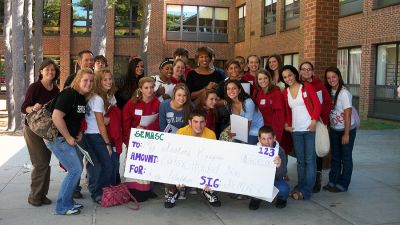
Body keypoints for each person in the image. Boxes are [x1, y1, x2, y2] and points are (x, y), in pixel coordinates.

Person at [45, 68, 94, 215]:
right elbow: (56, 117)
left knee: (76, 169)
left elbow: (75, 118)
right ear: (78, 80)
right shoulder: (69, 94)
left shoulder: (81, 97)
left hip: (67, 138)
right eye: (85, 80)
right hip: (58, 139)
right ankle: (62, 207)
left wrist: (78, 133)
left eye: (91, 81)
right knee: (75, 170)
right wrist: (68, 137)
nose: (88, 83)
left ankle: (68, 201)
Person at [21, 59, 60, 207]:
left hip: (47, 130)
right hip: (33, 130)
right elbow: (24, 107)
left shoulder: (56, 90)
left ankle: (43, 195)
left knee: (45, 162)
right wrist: (33, 108)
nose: (50, 72)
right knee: (40, 163)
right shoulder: (35, 87)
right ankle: (35, 196)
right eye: (47, 69)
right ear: (41, 72)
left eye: (53, 70)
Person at [164, 109, 221, 208]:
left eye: (202, 122)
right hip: (184, 163)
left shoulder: (211, 134)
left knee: (218, 166)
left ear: (206, 122)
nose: (199, 125)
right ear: (189, 122)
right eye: (195, 122)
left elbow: (213, 159)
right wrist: (177, 175)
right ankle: (173, 191)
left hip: (202, 164)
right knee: (167, 165)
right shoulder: (181, 132)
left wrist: (210, 178)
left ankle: (208, 191)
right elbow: (175, 156)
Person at [282, 65, 321, 200]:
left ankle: (306, 191)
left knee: (310, 160)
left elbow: (317, 104)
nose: (288, 79)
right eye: (285, 77)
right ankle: (300, 186)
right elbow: (288, 111)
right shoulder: (285, 92)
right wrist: (287, 125)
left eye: (290, 75)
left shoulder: (306, 87)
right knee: (300, 161)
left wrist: (314, 120)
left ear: (295, 74)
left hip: (309, 128)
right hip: (296, 130)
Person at [122, 77, 160, 201]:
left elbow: (159, 122)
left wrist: (150, 128)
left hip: (150, 141)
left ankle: (147, 190)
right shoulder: (132, 103)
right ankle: (132, 190)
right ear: (140, 89)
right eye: (146, 88)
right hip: (135, 141)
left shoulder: (157, 103)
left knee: (148, 166)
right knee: (134, 166)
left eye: (151, 87)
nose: (149, 90)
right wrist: (130, 138)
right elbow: (125, 122)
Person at [84, 68, 118, 203]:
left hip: (94, 134)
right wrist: (107, 143)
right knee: (105, 165)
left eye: (110, 79)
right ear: (99, 81)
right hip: (94, 135)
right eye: (105, 79)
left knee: (102, 164)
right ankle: (98, 193)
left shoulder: (104, 96)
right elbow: (100, 124)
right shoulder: (97, 99)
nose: (108, 82)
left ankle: (101, 191)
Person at [299, 61, 333, 193]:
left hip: (316, 123)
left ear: (312, 72)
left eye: (309, 69)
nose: (306, 72)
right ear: (300, 71)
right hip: (303, 124)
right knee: (306, 153)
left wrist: (320, 119)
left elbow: (327, 103)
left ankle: (316, 179)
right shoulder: (299, 85)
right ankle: (307, 179)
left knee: (316, 152)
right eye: (304, 69)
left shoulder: (319, 85)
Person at [323, 67, 357, 193]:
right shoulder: (329, 91)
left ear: (339, 77)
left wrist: (346, 134)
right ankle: (333, 181)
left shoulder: (344, 93)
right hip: (334, 129)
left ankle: (343, 184)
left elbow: (347, 114)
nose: (331, 79)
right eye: (328, 77)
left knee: (346, 157)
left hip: (346, 129)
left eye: (334, 77)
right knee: (335, 157)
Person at [248, 125, 289, 210]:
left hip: (275, 179)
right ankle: (256, 198)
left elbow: (282, 174)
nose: (267, 142)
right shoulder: (253, 150)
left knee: (284, 189)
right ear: (259, 139)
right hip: (259, 179)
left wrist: (279, 166)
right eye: (263, 139)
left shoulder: (280, 151)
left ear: (274, 138)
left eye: (269, 138)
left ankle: (282, 199)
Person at [224, 80, 264, 145]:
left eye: (234, 88)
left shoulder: (248, 102)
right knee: (228, 142)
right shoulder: (227, 102)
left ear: (239, 90)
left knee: (245, 147)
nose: (231, 91)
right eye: (228, 89)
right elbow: (234, 119)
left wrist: (244, 140)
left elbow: (248, 123)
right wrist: (232, 131)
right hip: (241, 128)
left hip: (254, 129)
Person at [253, 69, 285, 143]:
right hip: (261, 128)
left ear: (269, 79)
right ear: (257, 81)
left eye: (265, 78)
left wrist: (275, 134)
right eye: (260, 79)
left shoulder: (276, 93)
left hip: (273, 130)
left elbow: (279, 116)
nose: (263, 81)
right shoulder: (258, 93)